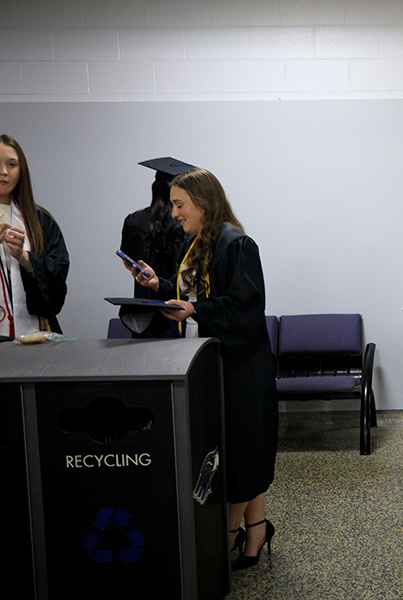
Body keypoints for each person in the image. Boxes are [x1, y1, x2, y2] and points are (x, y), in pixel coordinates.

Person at [126, 168, 278, 569]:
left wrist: (197, 310)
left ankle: (226, 535)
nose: (173, 213)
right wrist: (157, 284)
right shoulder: (196, 244)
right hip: (216, 365)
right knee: (241, 454)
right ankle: (257, 529)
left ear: (204, 203)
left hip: (243, 370)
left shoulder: (237, 243)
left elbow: (245, 308)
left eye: (180, 204)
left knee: (242, 457)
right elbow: (190, 292)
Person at [0, 134, 68, 338]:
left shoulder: (39, 220)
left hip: (34, 335)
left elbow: (58, 277)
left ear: (21, 172)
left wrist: (25, 258)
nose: (3, 172)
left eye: (11, 164)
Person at [118, 157, 190, 337]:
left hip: (145, 313)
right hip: (180, 309)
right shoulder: (187, 225)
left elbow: (130, 260)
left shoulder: (134, 222)